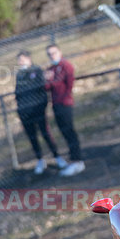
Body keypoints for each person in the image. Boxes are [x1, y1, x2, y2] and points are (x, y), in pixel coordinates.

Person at [14, 51, 67, 174]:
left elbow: (42, 89)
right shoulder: (19, 74)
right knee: (32, 137)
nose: (20, 62)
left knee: (45, 133)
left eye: (22, 60)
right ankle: (40, 160)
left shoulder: (37, 70)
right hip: (24, 111)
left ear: (28, 58)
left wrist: (41, 106)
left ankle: (57, 156)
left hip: (38, 110)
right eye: (19, 60)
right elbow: (18, 92)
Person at [44, 44, 84, 176]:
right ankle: (73, 160)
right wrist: (47, 79)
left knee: (69, 131)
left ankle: (77, 160)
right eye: (49, 54)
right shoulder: (51, 69)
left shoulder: (65, 66)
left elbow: (69, 82)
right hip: (56, 104)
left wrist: (64, 95)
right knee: (64, 132)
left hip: (65, 103)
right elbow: (47, 87)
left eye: (54, 53)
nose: (52, 56)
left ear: (59, 52)